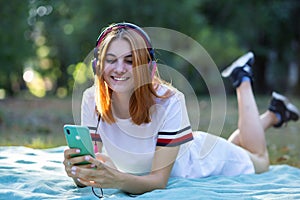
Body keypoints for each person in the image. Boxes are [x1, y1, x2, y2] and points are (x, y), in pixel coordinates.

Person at [63, 22, 299, 195]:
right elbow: (95, 163)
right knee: (240, 145)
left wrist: (115, 179)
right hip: (181, 147)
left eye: (130, 60)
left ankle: (243, 80)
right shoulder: (91, 99)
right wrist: (78, 170)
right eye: (111, 59)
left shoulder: (170, 101)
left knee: (260, 160)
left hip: (203, 161)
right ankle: (275, 114)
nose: (119, 68)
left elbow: (157, 181)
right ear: (98, 66)